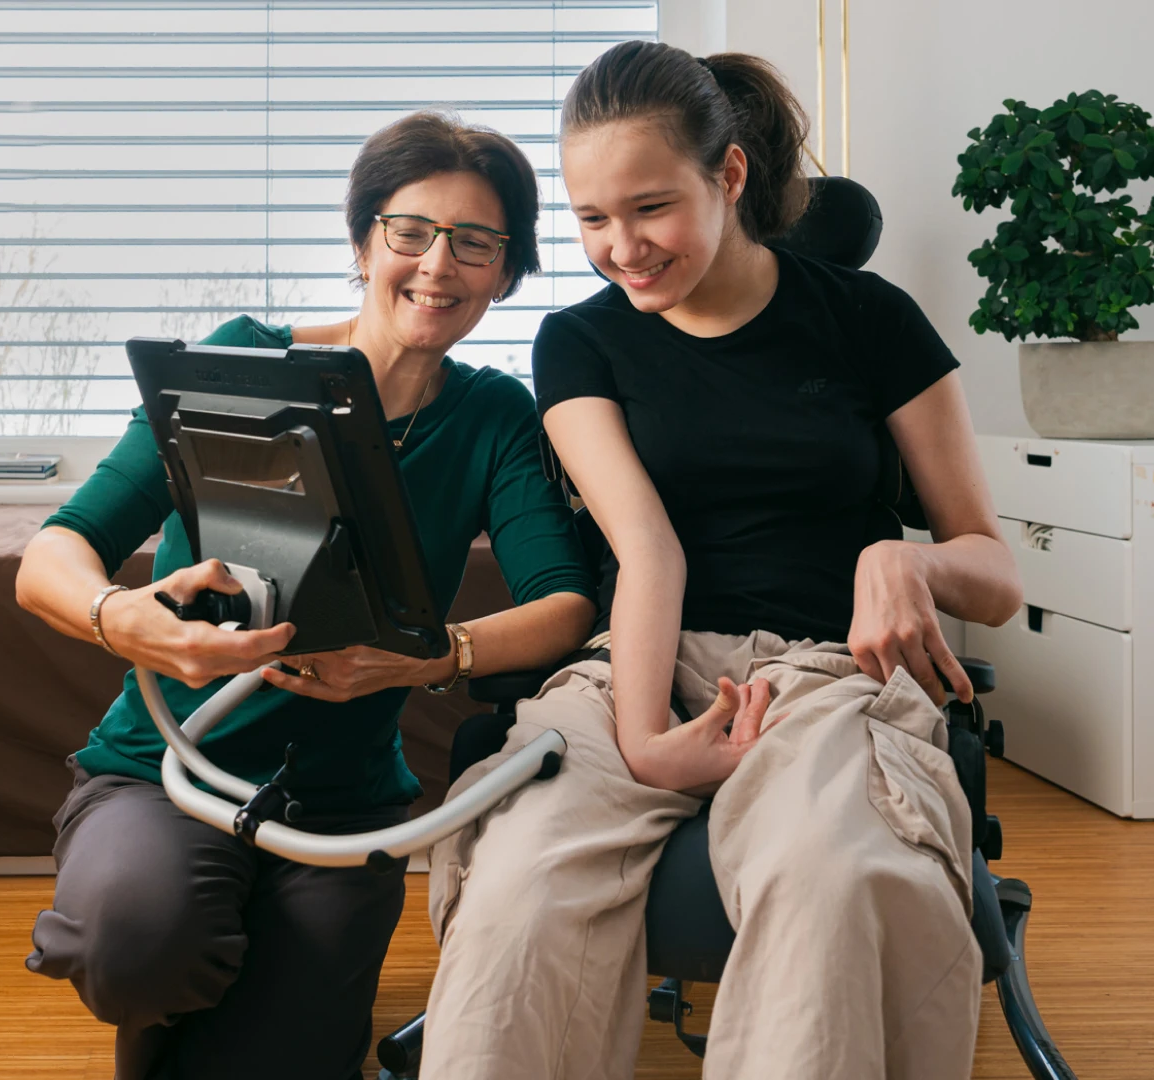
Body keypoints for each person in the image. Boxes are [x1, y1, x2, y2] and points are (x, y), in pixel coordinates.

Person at [420, 42, 1023, 1080]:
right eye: (591, 219)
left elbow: (997, 576)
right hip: (637, 669)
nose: (622, 248)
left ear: (730, 175)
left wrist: (905, 560)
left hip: (826, 677)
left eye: (649, 209)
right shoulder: (580, 342)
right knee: (518, 886)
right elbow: (646, 548)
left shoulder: (869, 321)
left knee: (831, 878)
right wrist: (647, 738)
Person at [14, 111, 596, 1080]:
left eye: (477, 243)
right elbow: (53, 555)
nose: (437, 266)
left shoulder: (494, 416)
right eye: (409, 231)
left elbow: (565, 604)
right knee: (137, 947)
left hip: (340, 805)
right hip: (171, 769)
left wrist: (435, 655)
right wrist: (129, 623)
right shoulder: (242, 362)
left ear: (506, 270)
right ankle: (174, 945)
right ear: (365, 240)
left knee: (292, 1059)